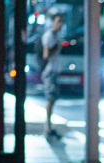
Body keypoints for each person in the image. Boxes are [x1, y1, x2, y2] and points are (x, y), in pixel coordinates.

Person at [42, 13, 64, 141]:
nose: (60, 24)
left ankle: (49, 126)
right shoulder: (49, 36)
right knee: (50, 99)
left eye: (62, 22)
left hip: (54, 71)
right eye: (58, 21)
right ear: (53, 22)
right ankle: (48, 127)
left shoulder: (56, 36)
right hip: (50, 71)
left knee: (53, 99)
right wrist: (57, 48)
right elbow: (46, 54)